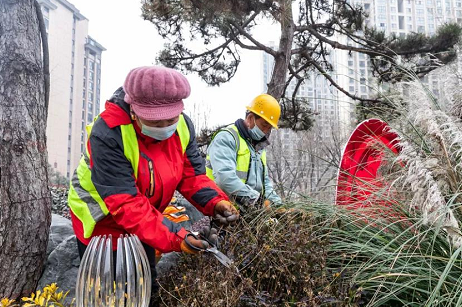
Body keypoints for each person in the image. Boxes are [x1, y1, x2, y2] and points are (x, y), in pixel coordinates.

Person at [67, 66, 239, 306]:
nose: (165, 126)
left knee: (144, 287)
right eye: (156, 120)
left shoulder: (182, 127)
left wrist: (215, 202)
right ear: (134, 110)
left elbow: (192, 175)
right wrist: (178, 236)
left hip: (145, 216)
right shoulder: (109, 132)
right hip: (102, 219)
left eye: (171, 118)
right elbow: (125, 203)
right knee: (108, 294)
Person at [206, 94, 282, 212]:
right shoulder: (227, 138)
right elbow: (224, 178)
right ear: (250, 118)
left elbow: (265, 183)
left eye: (269, 128)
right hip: (219, 211)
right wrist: (256, 201)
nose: (265, 131)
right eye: (264, 125)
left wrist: (279, 207)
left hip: (245, 213)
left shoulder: (259, 147)